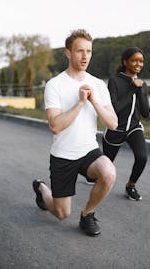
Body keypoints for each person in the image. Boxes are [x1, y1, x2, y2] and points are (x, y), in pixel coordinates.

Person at [32, 29, 118, 236]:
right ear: (68, 53)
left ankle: (87, 215)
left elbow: (113, 123)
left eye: (89, 51)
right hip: (63, 156)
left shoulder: (98, 84)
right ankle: (42, 189)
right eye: (80, 51)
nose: (85, 56)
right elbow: (55, 125)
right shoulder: (55, 85)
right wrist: (80, 103)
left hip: (88, 151)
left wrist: (93, 100)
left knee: (108, 172)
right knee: (61, 214)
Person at [102, 47, 150, 201]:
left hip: (134, 128)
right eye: (134, 60)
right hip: (115, 128)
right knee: (104, 169)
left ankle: (131, 185)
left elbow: (146, 113)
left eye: (141, 61)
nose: (138, 64)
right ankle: (92, 175)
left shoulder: (142, 84)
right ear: (125, 62)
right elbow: (114, 108)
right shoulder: (115, 81)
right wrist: (132, 90)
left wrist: (140, 90)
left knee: (142, 157)